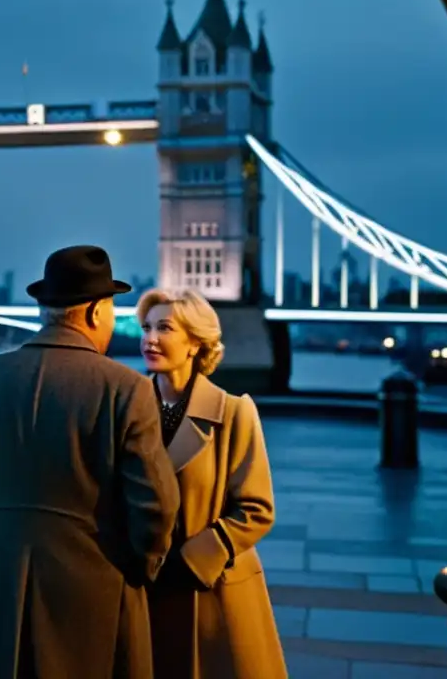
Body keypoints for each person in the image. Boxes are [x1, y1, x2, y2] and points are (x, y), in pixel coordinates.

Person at [0, 245, 180, 679]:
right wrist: (141, 564)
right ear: (95, 313)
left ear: (45, 308)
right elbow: (155, 501)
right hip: (94, 573)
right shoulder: (127, 389)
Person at [137, 288, 287, 679]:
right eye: (146, 327)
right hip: (143, 588)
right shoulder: (127, 410)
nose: (150, 338)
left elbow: (257, 509)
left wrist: (194, 559)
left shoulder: (235, 413)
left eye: (164, 328)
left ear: (194, 344)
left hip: (209, 590)